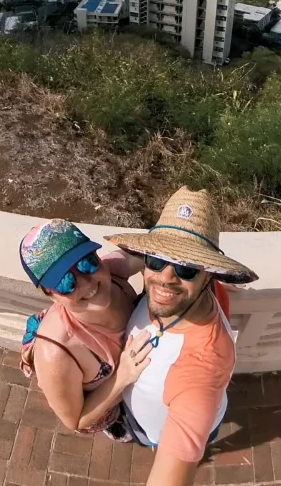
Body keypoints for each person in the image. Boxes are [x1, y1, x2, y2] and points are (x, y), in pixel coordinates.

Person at [104, 186, 259, 486]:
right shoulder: (181, 292)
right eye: (158, 259)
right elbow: (130, 262)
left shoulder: (201, 369)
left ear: (208, 275)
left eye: (186, 268)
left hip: (165, 428)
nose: (166, 277)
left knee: (164, 446)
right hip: (145, 415)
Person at [18, 218, 152, 436]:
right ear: (50, 295)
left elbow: (154, 249)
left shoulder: (112, 272)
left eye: (87, 262)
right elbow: (75, 420)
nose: (88, 283)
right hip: (111, 403)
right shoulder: (56, 352)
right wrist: (123, 376)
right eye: (65, 282)